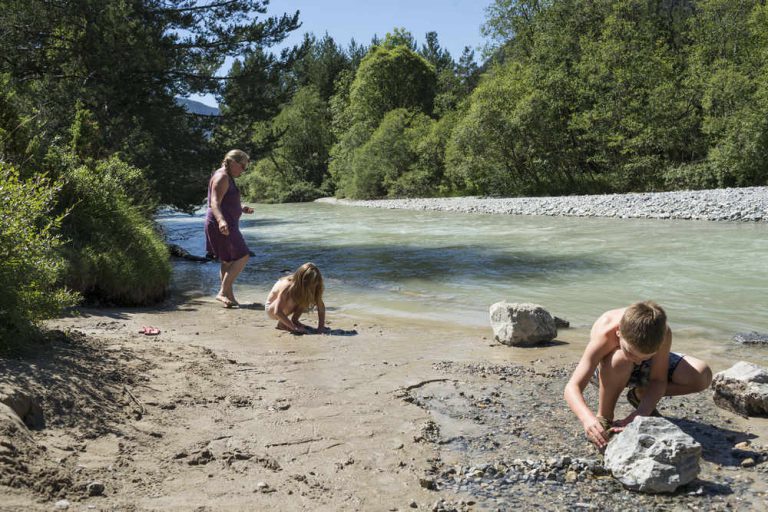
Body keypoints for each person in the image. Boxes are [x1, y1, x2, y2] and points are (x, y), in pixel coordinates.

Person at [564, 301, 712, 451]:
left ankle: (640, 394)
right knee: (621, 359)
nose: (638, 361)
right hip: (608, 370)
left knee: (701, 375)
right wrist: (587, 419)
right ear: (618, 333)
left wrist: (640, 413)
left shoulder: (660, 332)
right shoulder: (606, 330)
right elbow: (572, 387)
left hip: (642, 371)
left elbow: (658, 380)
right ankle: (605, 417)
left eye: (645, 357)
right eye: (631, 353)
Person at [204, 149, 254, 308]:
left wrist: (241, 207)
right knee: (243, 255)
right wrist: (221, 221)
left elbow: (225, 200)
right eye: (242, 166)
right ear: (233, 162)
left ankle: (230, 298)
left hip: (224, 222)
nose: (243, 170)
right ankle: (222, 292)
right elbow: (214, 203)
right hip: (223, 224)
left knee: (227, 261)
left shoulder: (226, 176)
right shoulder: (222, 176)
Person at [265, 263, 327, 334]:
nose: (313, 285)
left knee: (306, 295)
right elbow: (277, 311)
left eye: (315, 282)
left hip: (282, 308)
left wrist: (321, 327)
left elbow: (321, 306)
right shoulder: (288, 286)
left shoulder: (314, 284)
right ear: (302, 280)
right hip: (272, 309)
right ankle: (282, 324)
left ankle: (295, 320)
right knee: (294, 297)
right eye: (311, 283)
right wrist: (295, 328)